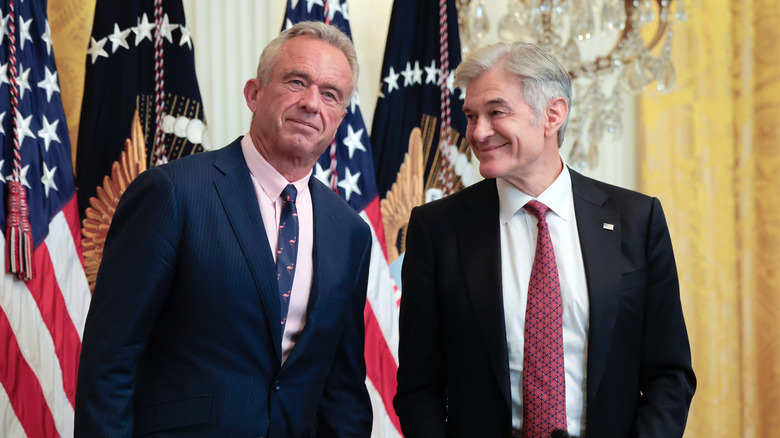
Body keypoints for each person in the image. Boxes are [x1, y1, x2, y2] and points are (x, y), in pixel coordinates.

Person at [75, 21, 373, 437]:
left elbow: (342, 391)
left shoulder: (350, 232)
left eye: (330, 94)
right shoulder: (172, 194)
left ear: (340, 118)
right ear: (254, 93)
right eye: (296, 82)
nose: (311, 103)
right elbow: (109, 362)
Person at [394, 41, 695, 438]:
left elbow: (669, 375)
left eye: (496, 112)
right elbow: (418, 387)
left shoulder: (636, 220)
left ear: (553, 114)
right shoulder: (437, 229)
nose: (477, 132)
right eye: (471, 116)